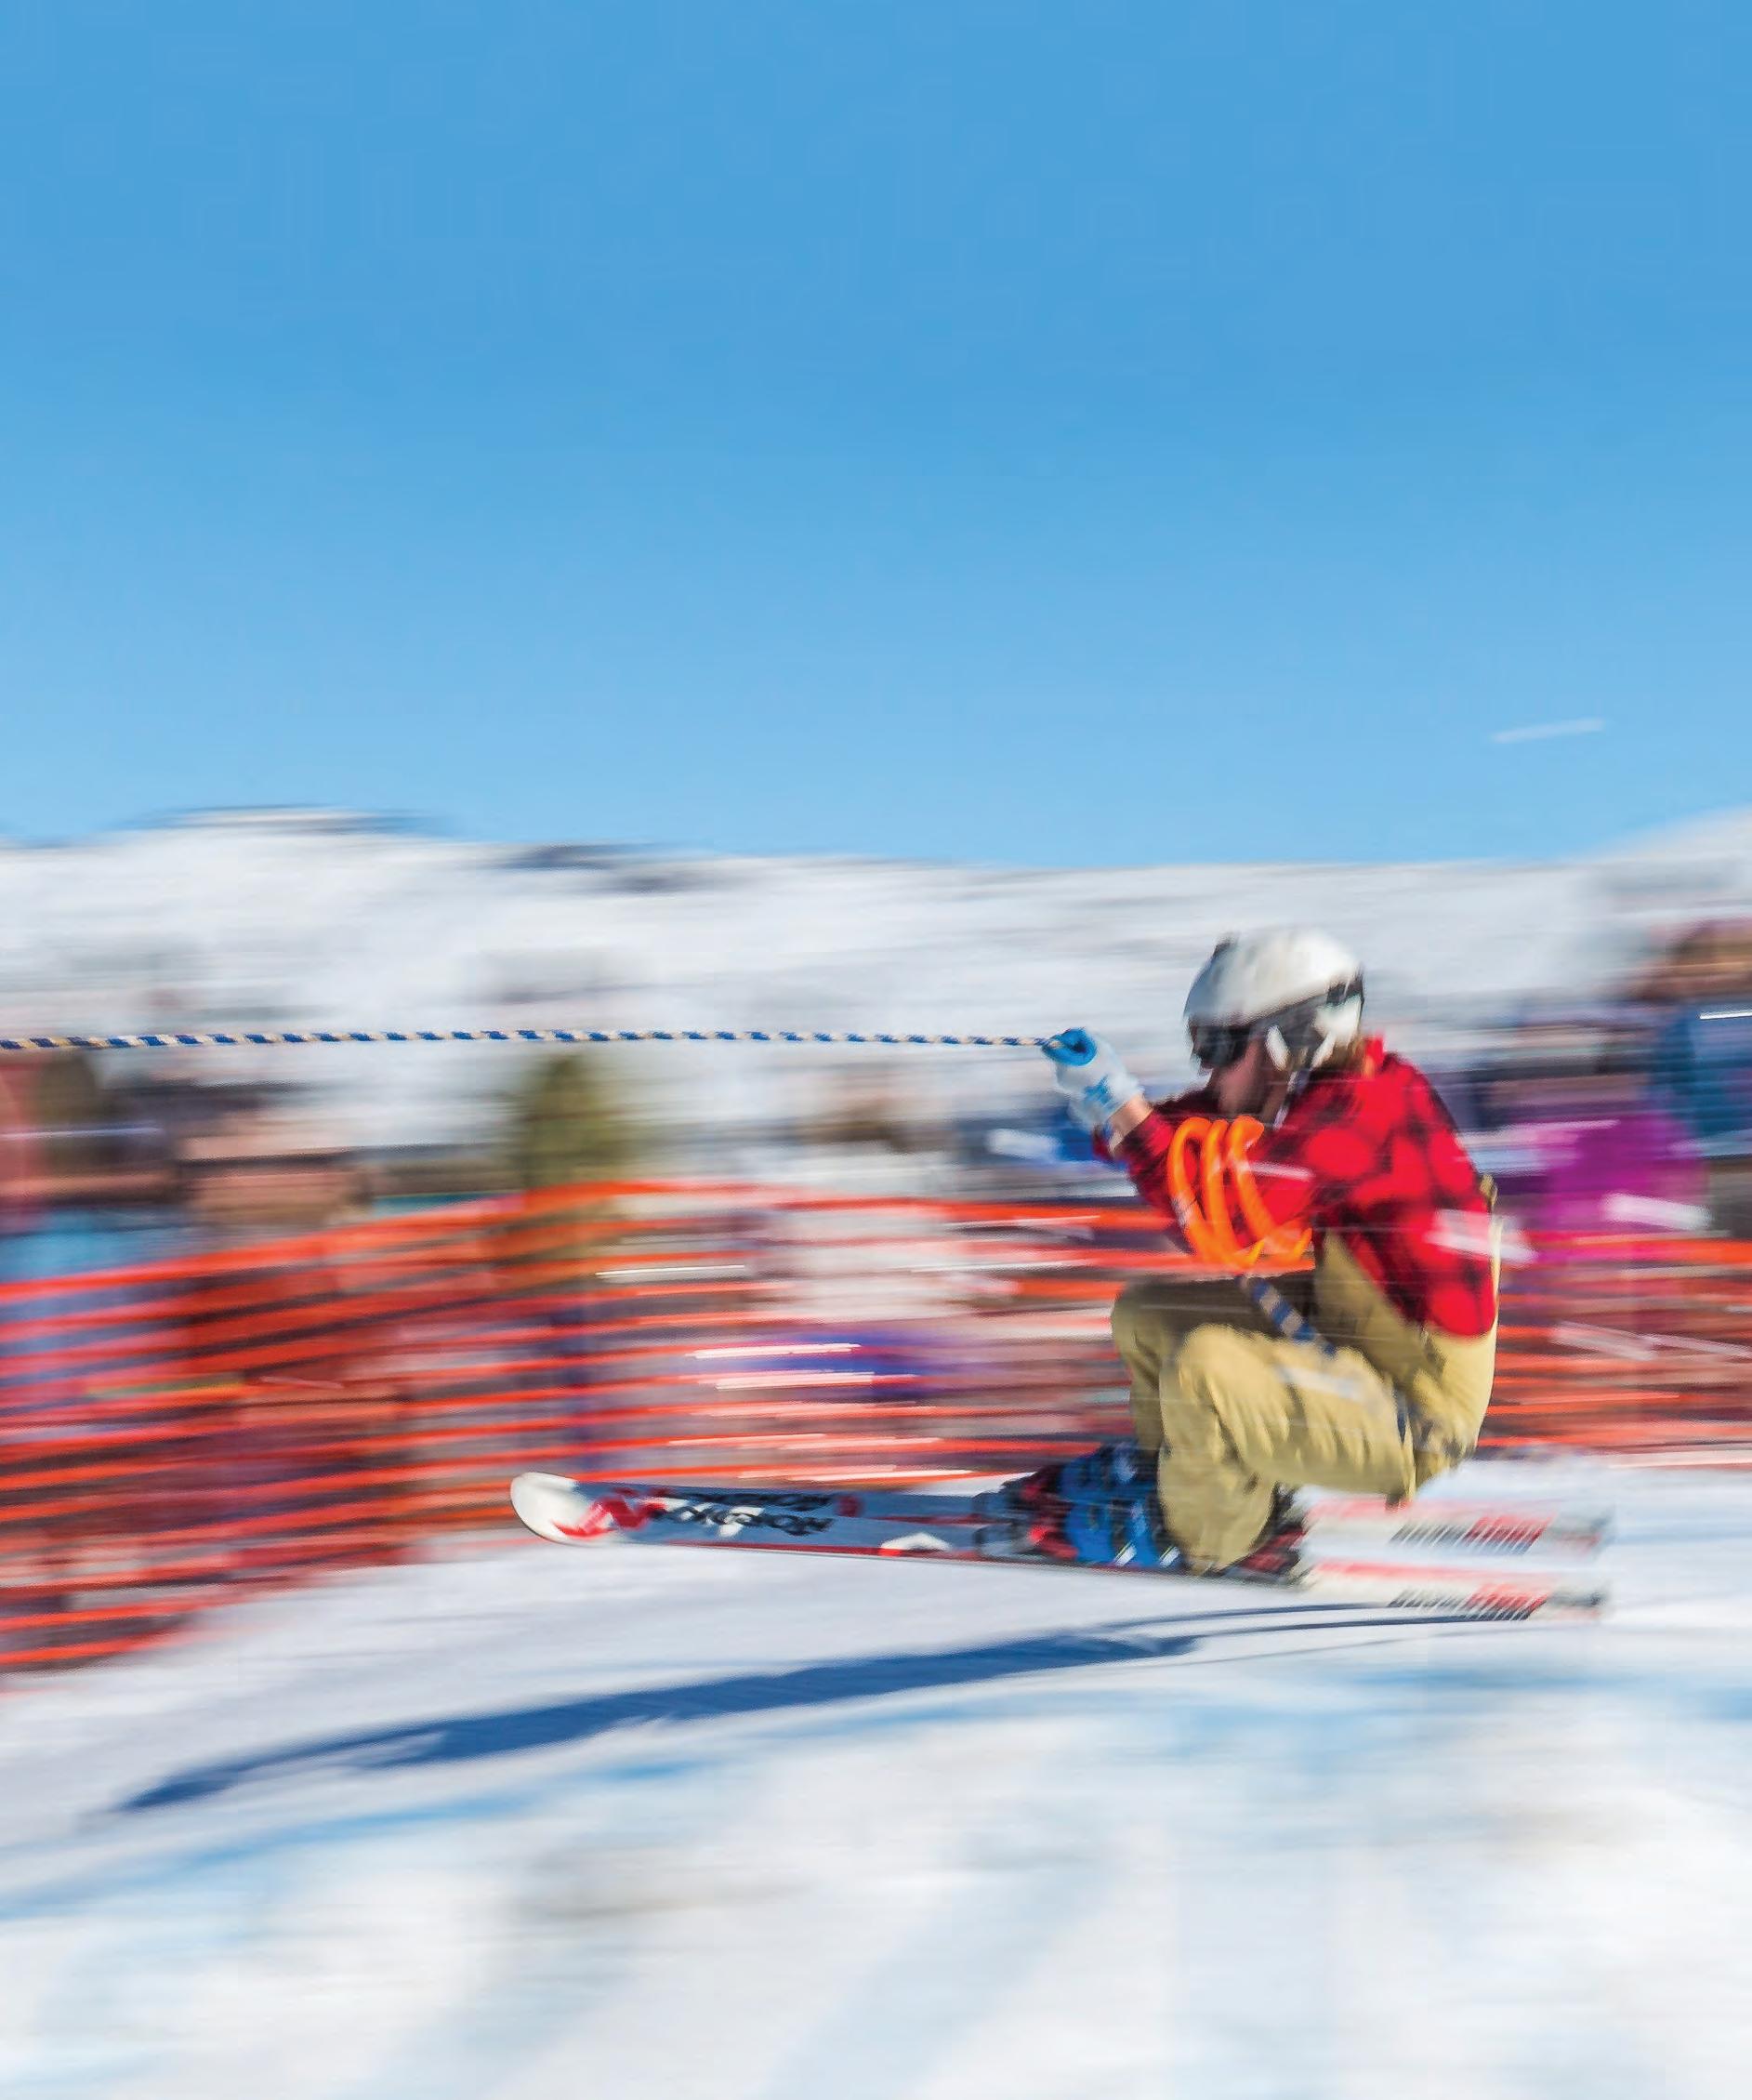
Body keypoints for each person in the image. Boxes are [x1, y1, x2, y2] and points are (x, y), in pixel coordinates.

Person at [1005, 929, 1501, 1574]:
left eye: (1217, 1046)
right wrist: (1119, 1115)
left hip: (1414, 1414)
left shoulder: (1363, 1114)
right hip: (1358, 1343)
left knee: (1205, 1368)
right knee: (1149, 1315)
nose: (1206, 1068)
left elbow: (1221, 1218)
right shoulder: (1334, 1094)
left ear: (1288, 1040)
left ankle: (1206, 1535)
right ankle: (1179, 1479)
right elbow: (1217, 1125)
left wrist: (1124, 1115)